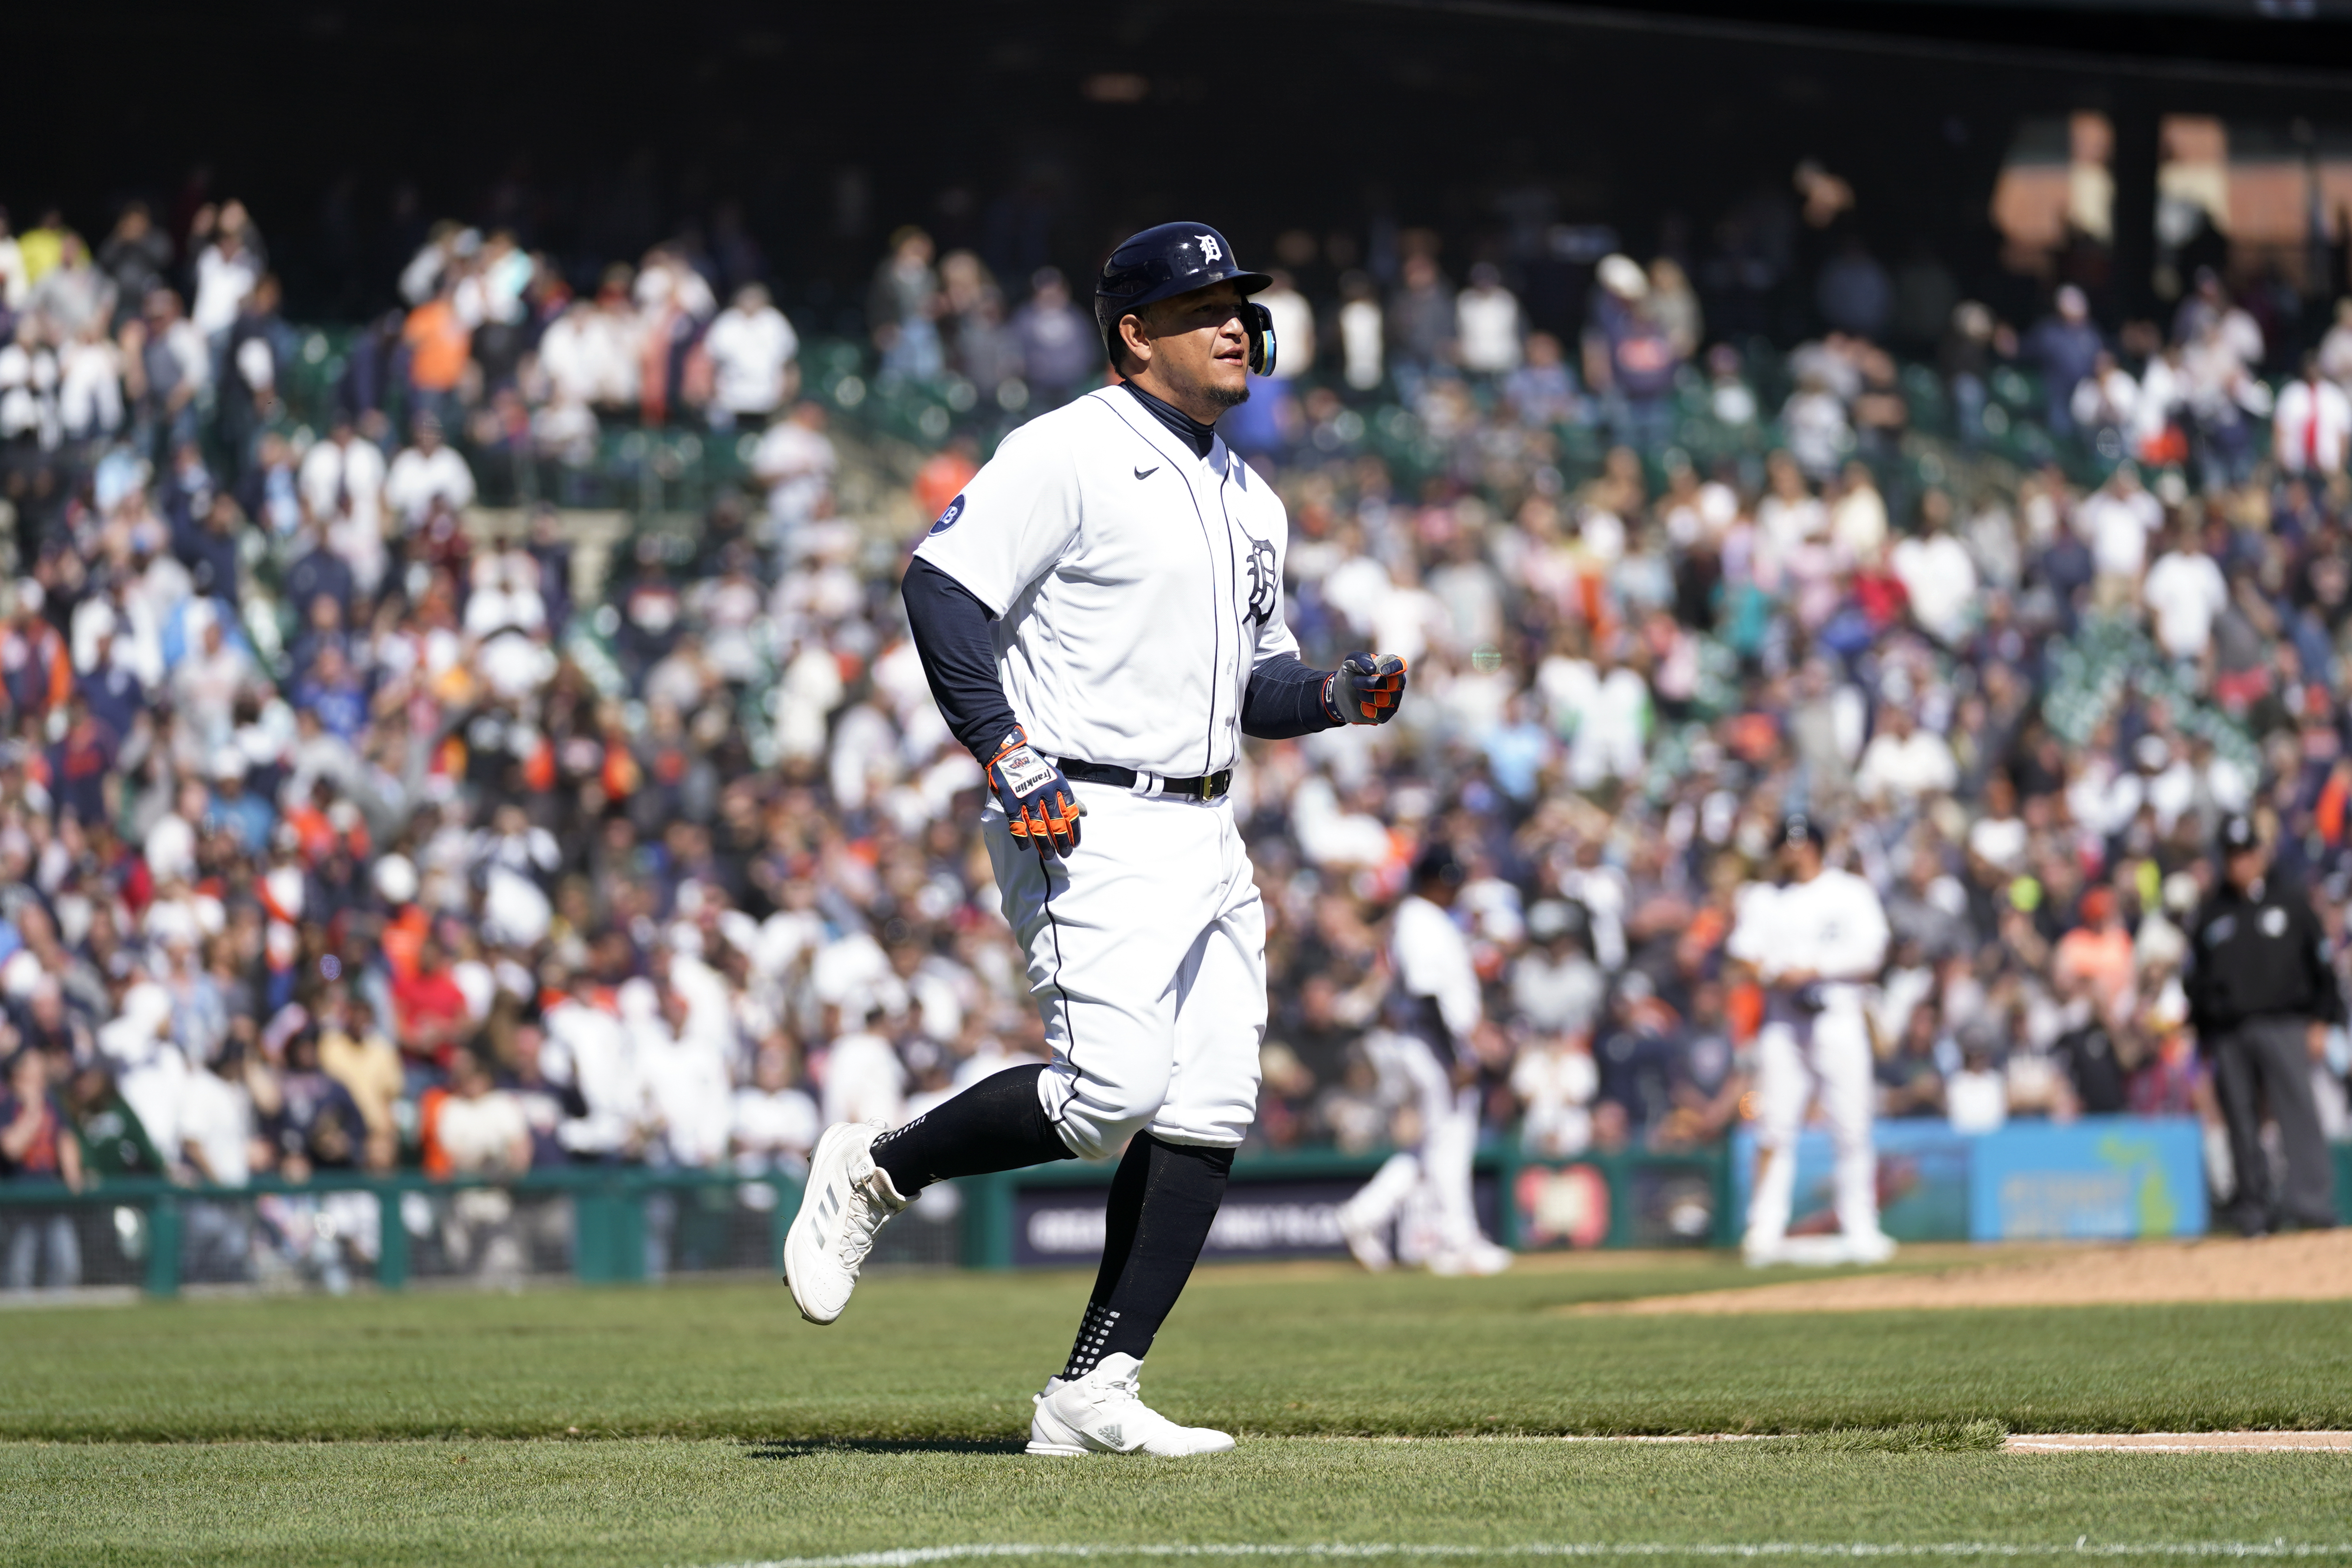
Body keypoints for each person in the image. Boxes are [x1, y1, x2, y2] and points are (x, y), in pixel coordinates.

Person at [781, 221, 1411, 1459]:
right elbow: (940, 586)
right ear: (1135, 332)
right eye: (1201, 306)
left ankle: (1092, 1388)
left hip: (1205, 816)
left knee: (1211, 1098)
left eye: (1238, 302)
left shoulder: (1252, 498)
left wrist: (1335, 695)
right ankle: (876, 1168)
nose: (1233, 322)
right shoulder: (1066, 450)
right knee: (1105, 1094)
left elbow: (1257, 687)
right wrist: (1004, 752)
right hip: (1083, 804)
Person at [1334, 844, 1512, 1276]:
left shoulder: (1424, 919)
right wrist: (1453, 1058)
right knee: (1450, 1143)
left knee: (1434, 1145)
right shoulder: (1419, 918)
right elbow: (1425, 992)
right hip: (1431, 1043)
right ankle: (1458, 1241)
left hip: (1434, 1041)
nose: (1454, 890)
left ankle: (1363, 1215)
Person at [1727, 814, 1894, 1266]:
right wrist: (1773, 972)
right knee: (1773, 1125)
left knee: (1851, 1124)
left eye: (1797, 843)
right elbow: (1742, 954)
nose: (1790, 851)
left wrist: (1815, 966)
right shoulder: (1762, 897)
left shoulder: (1848, 891)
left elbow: (1873, 952)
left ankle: (1860, 1226)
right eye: (1784, 843)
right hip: (1783, 1020)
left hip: (1837, 1015)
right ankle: (1762, 1229)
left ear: (1815, 846)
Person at [2184, 815, 2340, 1235]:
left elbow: (2322, 966)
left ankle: (2309, 1202)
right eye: (2231, 856)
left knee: (2297, 1111)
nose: (2240, 864)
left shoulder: (2290, 901)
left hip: (2286, 1023)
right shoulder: (2212, 911)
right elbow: (2194, 980)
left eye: (2246, 854)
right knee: (2239, 1118)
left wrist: (2322, 1021)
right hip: (2228, 1031)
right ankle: (2252, 1208)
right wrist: (2201, 1036)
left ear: (2259, 853)